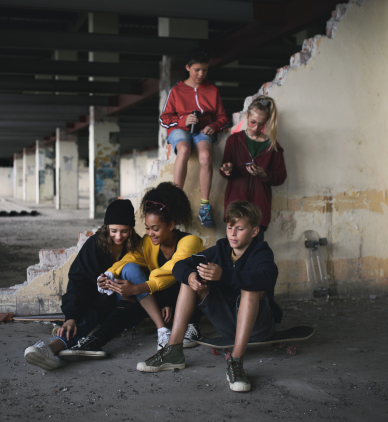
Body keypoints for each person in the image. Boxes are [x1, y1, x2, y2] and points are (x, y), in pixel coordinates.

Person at [136, 201, 283, 393]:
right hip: (228, 326)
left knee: (251, 286)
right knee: (191, 278)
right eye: (230, 228)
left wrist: (224, 274)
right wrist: (190, 276)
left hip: (258, 327)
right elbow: (179, 266)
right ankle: (173, 351)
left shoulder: (261, 251)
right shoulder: (221, 249)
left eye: (240, 229)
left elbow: (268, 278)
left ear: (254, 231)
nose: (232, 234)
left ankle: (236, 360)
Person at [60, 182, 205, 359]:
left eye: (155, 228)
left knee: (184, 280)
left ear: (171, 225)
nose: (150, 233)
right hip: (161, 301)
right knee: (129, 291)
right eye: (147, 228)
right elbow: (131, 258)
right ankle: (95, 341)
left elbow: (171, 271)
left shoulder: (191, 241)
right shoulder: (147, 243)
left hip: (186, 302)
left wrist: (137, 288)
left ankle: (193, 325)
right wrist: (108, 274)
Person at [23, 199, 140, 370]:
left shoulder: (139, 245)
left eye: (124, 231)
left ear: (131, 229)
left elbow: (149, 275)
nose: (118, 236)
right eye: (114, 231)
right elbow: (78, 280)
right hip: (98, 302)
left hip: (129, 301)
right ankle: (50, 349)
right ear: (106, 227)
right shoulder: (94, 244)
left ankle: (82, 343)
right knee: (84, 316)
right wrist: (71, 316)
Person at [159, 49, 229, 228]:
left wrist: (212, 126)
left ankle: (205, 207)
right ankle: (176, 202)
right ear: (188, 67)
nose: (201, 74)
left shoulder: (212, 90)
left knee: (205, 157)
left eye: (205, 70)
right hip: (179, 129)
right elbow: (164, 118)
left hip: (203, 130)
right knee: (183, 149)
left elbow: (222, 118)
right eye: (197, 69)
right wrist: (183, 120)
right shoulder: (176, 90)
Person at [220, 95, 287, 242]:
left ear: (267, 122)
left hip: (259, 210)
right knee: (232, 253)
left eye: (261, 124)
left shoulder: (273, 147)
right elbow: (224, 169)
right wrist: (227, 169)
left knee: (256, 254)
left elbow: (281, 176)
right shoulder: (234, 140)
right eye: (253, 122)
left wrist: (265, 174)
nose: (256, 127)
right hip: (235, 207)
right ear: (247, 116)